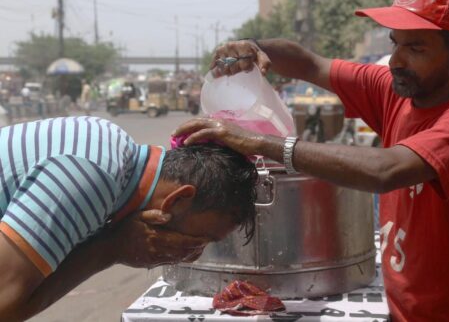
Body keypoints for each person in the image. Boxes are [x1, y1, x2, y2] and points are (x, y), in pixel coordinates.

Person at [173, 0, 449, 321]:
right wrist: (253, 48)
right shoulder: (394, 90)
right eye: (395, 43)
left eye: (415, 48)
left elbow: (386, 170)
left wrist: (260, 143)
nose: (397, 60)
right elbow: (310, 63)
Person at [0, 116, 257, 320]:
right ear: (178, 199)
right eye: (201, 239)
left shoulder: (115, 154)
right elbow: (4, 304)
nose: (193, 255)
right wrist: (112, 248)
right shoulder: (93, 174)